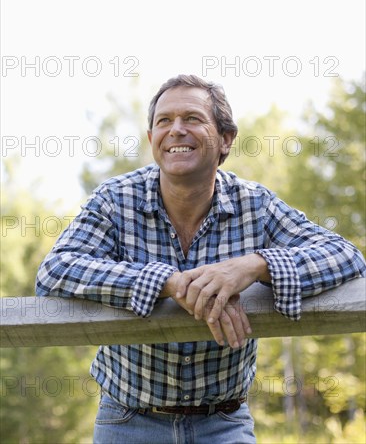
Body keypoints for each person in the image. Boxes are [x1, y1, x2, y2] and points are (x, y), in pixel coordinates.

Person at [36, 75, 365, 444]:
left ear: (225, 138)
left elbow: (345, 256)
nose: (176, 130)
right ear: (151, 140)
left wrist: (255, 265)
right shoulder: (115, 199)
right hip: (128, 421)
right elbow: (56, 269)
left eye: (192, 118)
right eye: (164, 121)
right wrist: (167, 282)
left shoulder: (256, 204)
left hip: (224, 422)